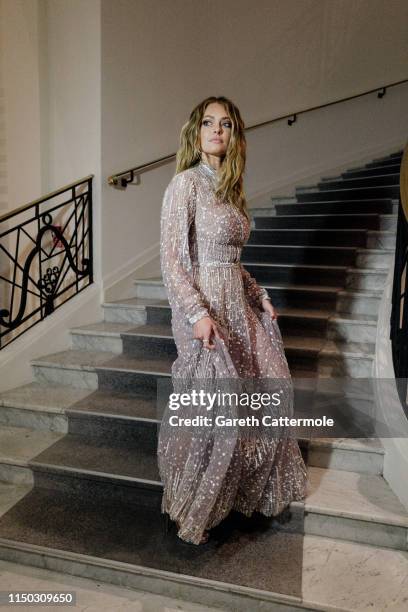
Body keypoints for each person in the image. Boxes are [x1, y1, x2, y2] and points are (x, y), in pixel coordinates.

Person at [157, 96, 309, 546]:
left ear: (234, 135)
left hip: (236, 309)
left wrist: (257, 294)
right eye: (208, 122)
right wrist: (198, 314)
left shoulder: (229, 186)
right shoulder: (185, 185)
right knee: (211, 410)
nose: (216, 130)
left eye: (225, 124)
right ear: (196, 132)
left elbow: (231, 261)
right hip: (202, 313)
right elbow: (172, 261)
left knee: (267, 386)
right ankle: (195, 507)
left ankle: (243, 493)